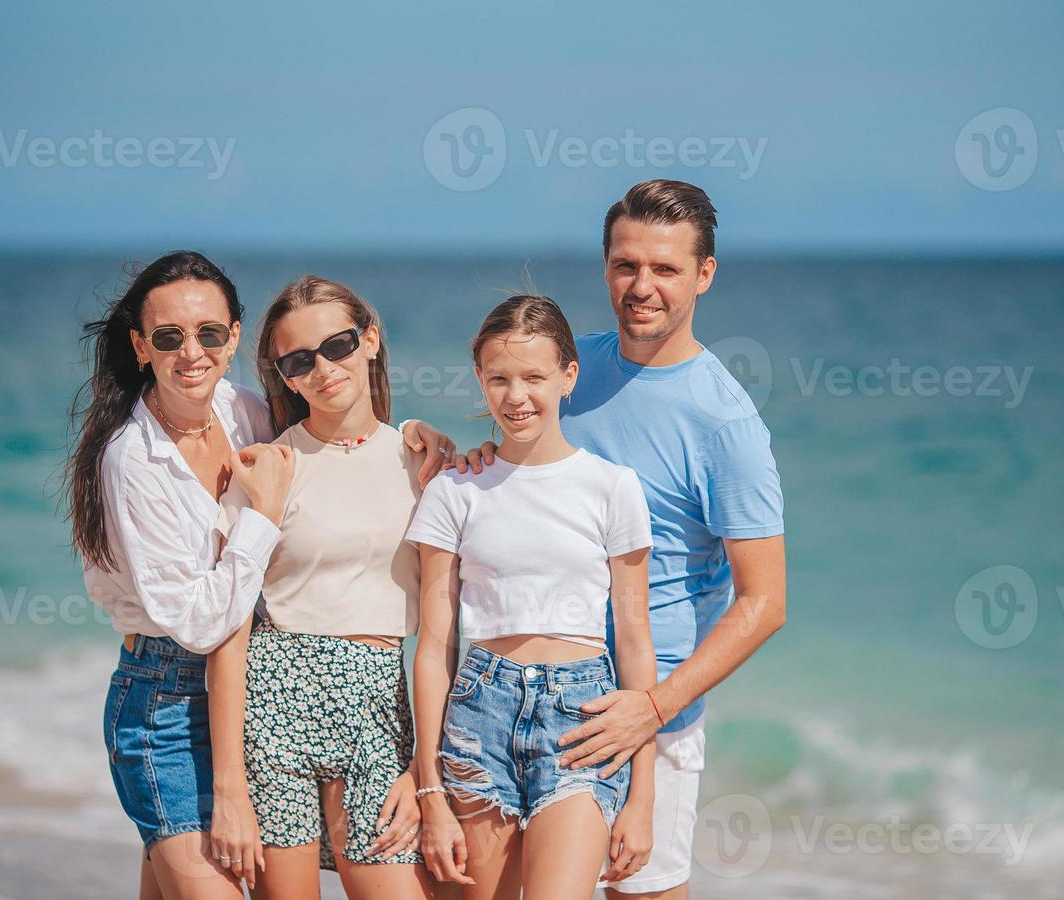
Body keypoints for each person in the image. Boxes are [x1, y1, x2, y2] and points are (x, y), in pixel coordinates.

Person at [67, 252, 456, 900]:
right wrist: (265, 514)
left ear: (233, 337)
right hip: (171, 695)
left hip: (292, 701)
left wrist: (416, 433)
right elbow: (207, 623)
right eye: (168, 337)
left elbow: (338, 444)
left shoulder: (241, 412)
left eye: (209, 334)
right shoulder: (130, 461)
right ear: (141, 347)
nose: (191, 351)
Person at [454, 180, 788, 899]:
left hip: (639, 712)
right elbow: (524, 451)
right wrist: (456, 450)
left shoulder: (725, 423)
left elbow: (764, 602)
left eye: (665, 269)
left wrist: (656, 708)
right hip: (521, 695)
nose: (642, 286)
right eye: (625, 265)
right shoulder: (576, 368)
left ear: (704, 275)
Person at [409, 295, 659, 900]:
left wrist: (643, 797)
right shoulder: (454, 491)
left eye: (534, 377)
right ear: (480, 380)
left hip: (583, 720)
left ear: (568, 376)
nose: (516, 396)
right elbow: (435, 645)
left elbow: (634, 642)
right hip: (478, 716)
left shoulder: (612, 489)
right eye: (499, 378)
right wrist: (429, 788)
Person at [206, 276, 436, 899]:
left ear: (370, 339)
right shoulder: (267, 469)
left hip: (381, 711)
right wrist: (228, 787)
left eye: (336, 346)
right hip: (276, 700)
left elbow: (447, 633)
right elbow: (228, 631)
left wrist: (427, 773)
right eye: (299, 361)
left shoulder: (426, 463)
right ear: (283, 375)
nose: (323, 369)